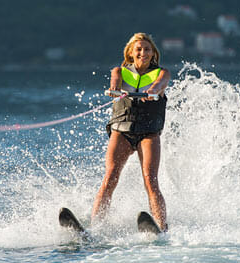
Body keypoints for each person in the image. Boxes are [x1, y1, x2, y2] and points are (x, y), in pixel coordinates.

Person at [91, 32, 170, 232]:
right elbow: (115, 82)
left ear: (153, 53)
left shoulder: (162, 73)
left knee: (150, 180)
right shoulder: (119, 70)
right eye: (139, 49)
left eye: (147, 49)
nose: (143, 52)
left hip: (148, 132)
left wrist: (153, 91)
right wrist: (114, 90)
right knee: (110, 177)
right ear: (131, 52)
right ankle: (95, 227)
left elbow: (160, 84)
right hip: (122, 130)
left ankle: (162, 227)